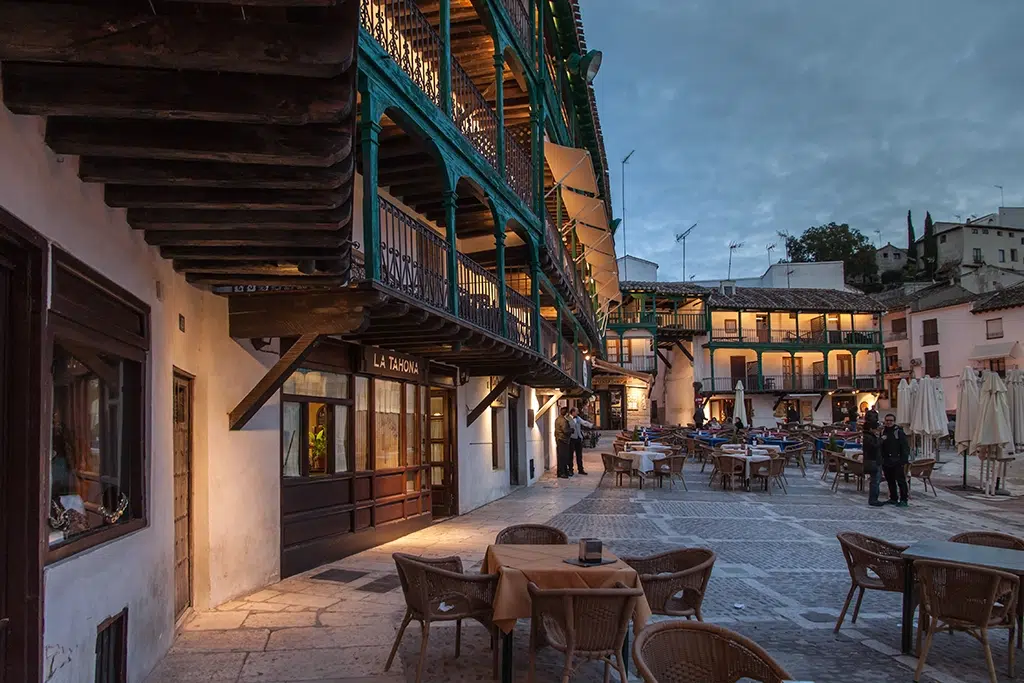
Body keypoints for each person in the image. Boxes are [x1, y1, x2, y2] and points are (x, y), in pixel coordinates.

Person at [880, 412, 910, 506]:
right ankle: (893, 498)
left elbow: (905, 447)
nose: (888, 422)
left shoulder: (899, 432)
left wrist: (903, 460)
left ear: (894, 421)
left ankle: (904, 500)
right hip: (886, 461)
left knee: (901, 481)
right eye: (887, 420)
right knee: (890, 481)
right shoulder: (883, 431)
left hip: (897, 460)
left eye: (891, 421)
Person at [862, 415, 885, 507]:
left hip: (870, 460)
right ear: (871, 429)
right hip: (873, 461)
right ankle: (873, 499)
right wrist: (881, 439)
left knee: (874, 481)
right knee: (875, 481)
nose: (877, 430)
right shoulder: (868, 437)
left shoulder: (867, 436)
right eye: (876, 429)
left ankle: (873, 499)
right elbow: (874, 446)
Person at [568, 407, 593, 475]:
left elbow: (584, 422)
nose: (578, 413)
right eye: (576, 411)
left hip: (578, 438)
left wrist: (591, 425)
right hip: (572, 439)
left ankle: (581, 469)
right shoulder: (567, 419)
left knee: (579, 455)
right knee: (571, 455)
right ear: (573, 412)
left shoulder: (578, 418)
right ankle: (570, 469)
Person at [554, 406, 572, 478]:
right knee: (563, 457)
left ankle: (561, 472)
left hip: (559, 439)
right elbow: (565, 430)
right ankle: (562, 472)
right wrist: (571, 430)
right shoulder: (563, 420)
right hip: (563, 440)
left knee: (560, 457)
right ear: (566, 413)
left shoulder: (557, 419)